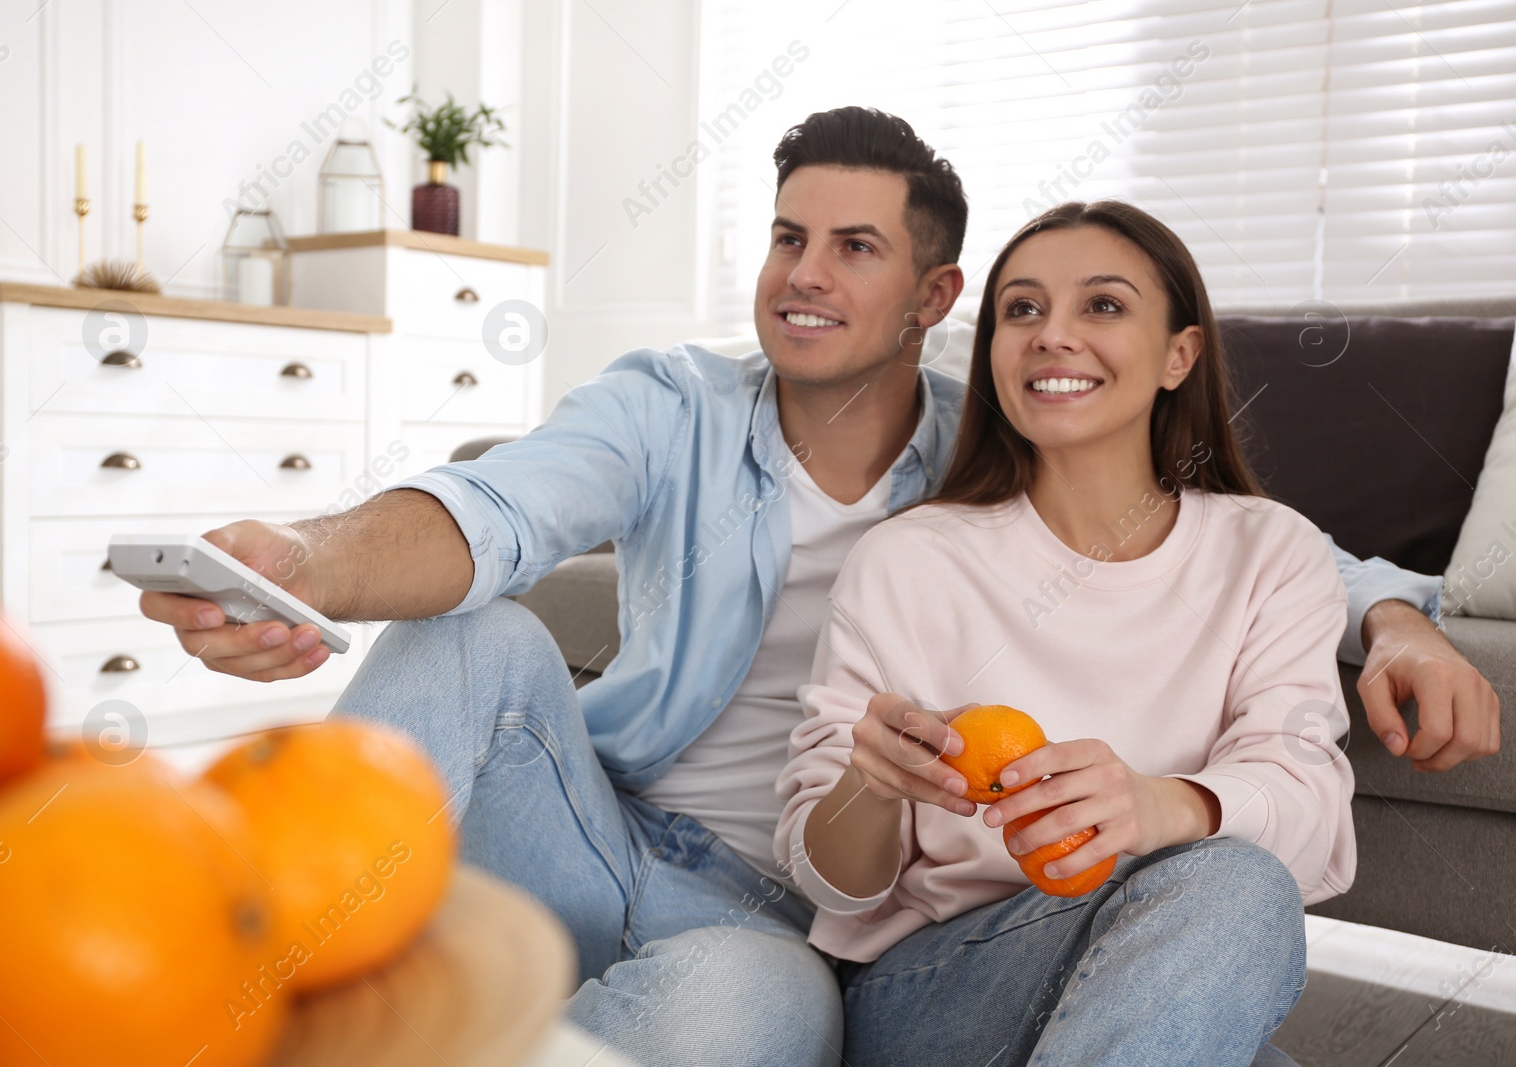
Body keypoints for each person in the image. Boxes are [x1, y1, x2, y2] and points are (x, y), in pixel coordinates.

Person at [139, 108, 1499, 1066]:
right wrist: (304, 560)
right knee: (476, 634)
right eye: (790, 235)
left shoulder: (1003, 446)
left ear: (931, 292)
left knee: (756, 1019)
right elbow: (493, 510)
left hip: (781, 918)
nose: (803, 273)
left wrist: (1391, 612)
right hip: (593, 824)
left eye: (854, 246)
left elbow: (1242, 536)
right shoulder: (670, 404)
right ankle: (245, 985)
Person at [775, 200, 1361, 1066]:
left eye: (1104, 305)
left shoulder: (1271, 550)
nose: (1053, 334)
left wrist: (1155, 802)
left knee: (1234, 906)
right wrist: (871, 783)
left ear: (1179, 355)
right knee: (1235, 887)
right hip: (938, 990)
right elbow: (832, 885)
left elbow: (1311, 808)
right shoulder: (908, 559)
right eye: (1022, 309)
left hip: (1170, 962)